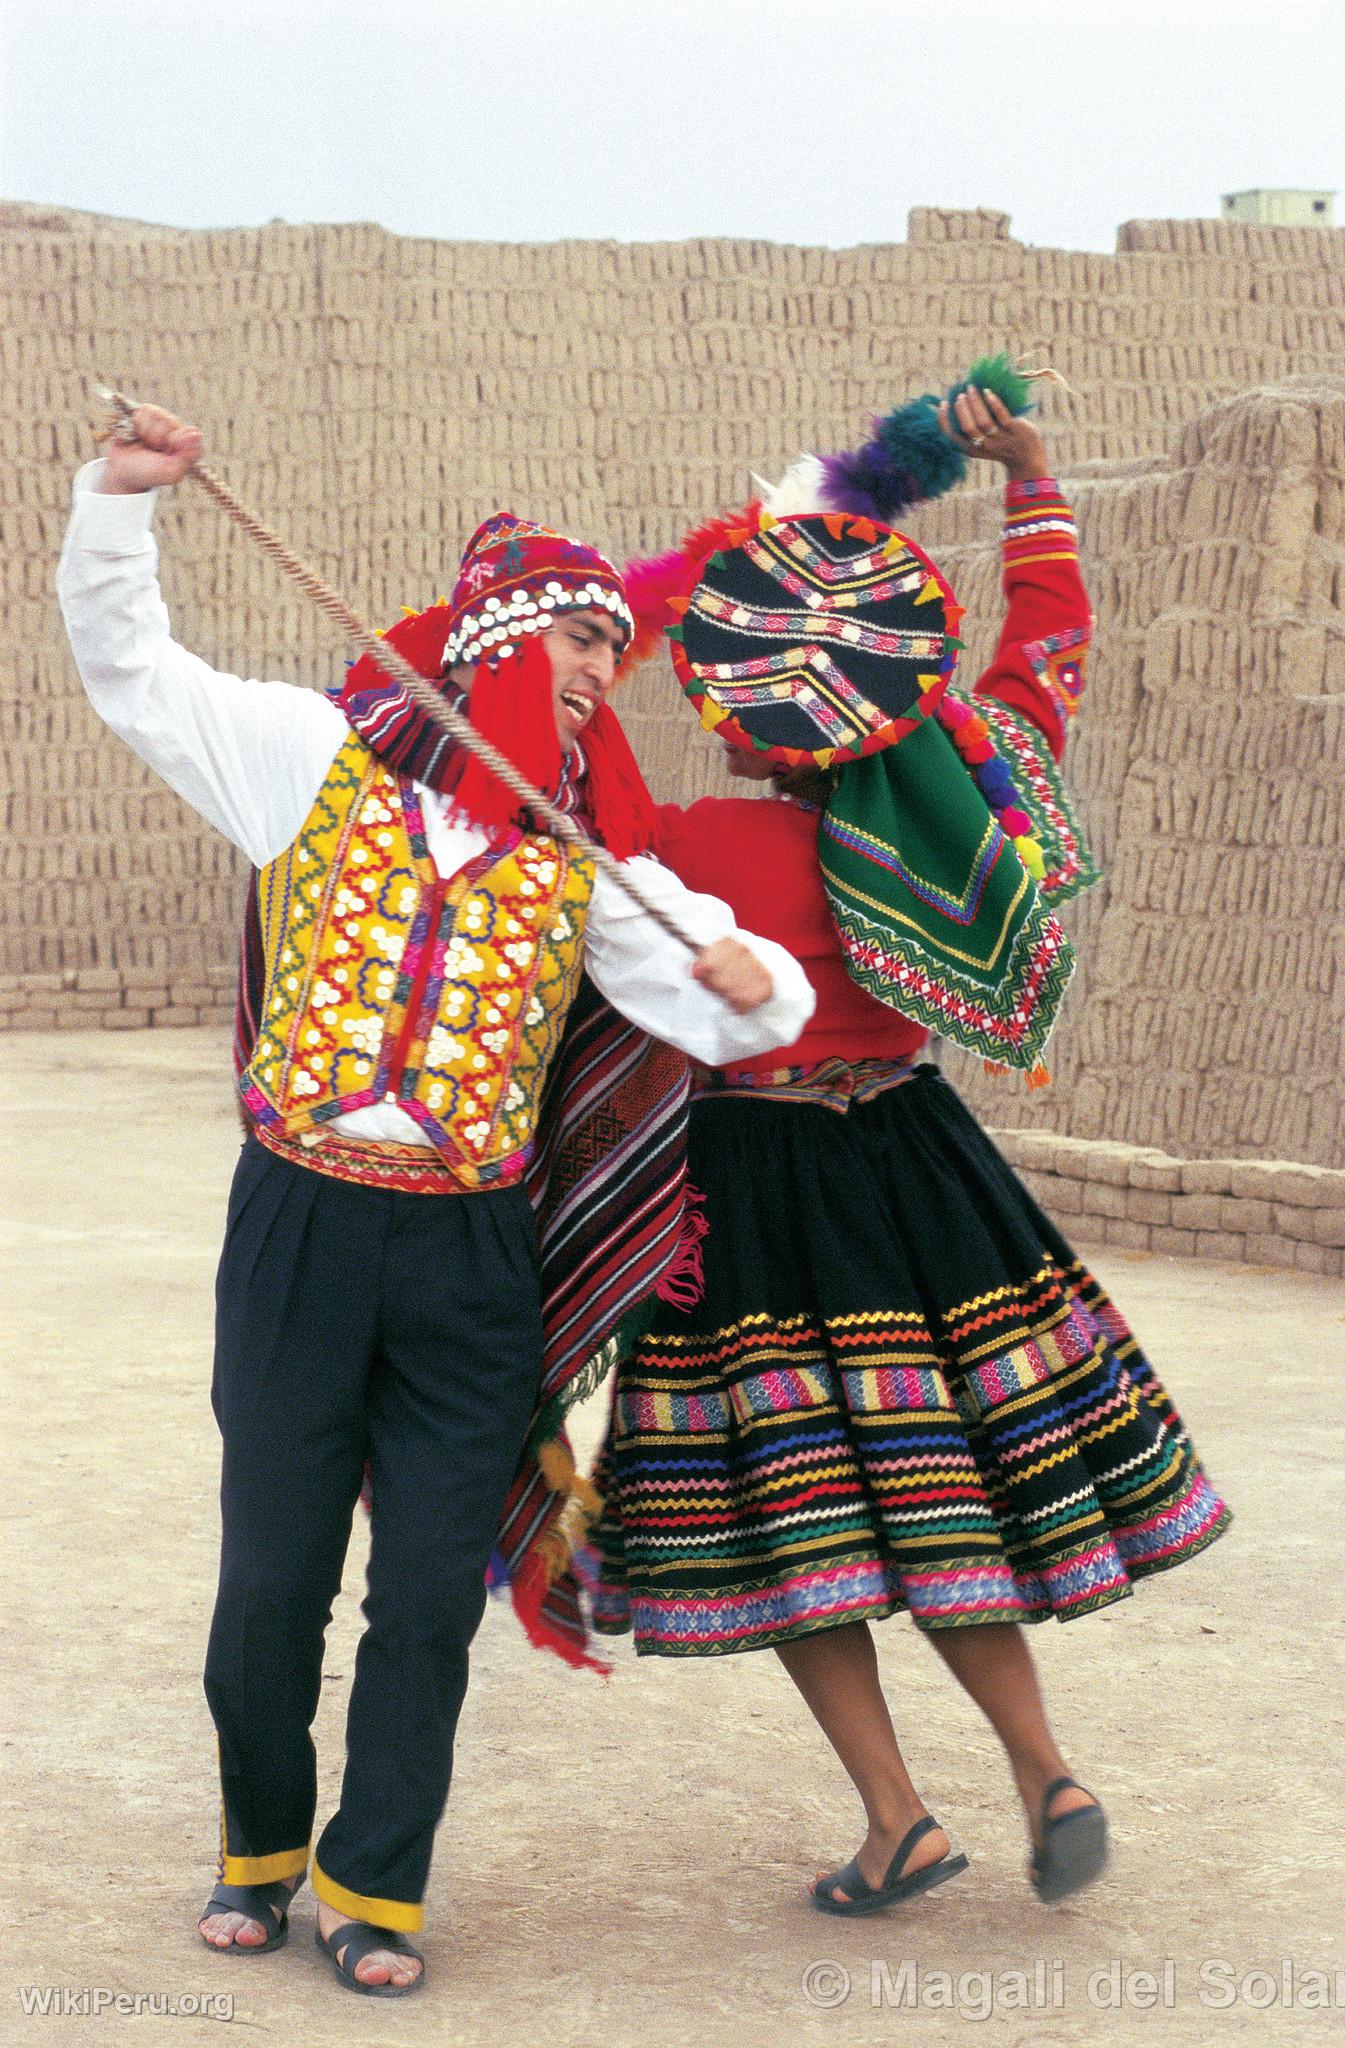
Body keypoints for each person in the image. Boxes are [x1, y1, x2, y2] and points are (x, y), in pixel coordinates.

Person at [57, 407, 815, 1993]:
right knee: (271, 1574)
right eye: (579, 639)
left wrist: (759, 985)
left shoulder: (586, 864)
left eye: (619, 645)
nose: (605, 672)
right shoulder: (307, 765)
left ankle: (375, 1885)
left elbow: (737, 1011)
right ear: (494, 643)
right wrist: (116, 510)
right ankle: (257, 1848)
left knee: (423, 1599)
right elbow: (136, 674)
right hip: (302, 1227)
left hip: (470, 1255)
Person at [588, 372, 1231, 1915]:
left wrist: (653, 597)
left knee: (796, 1512)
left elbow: (563, 751)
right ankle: (1041, 1766)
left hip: (747, 1187)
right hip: (921, 1165)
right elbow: (1045, 662)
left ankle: (895, 1816)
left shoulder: (689, 849)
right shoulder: (961, 797)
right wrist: (1030, 486)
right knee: (937, 1484)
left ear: (737, 700)